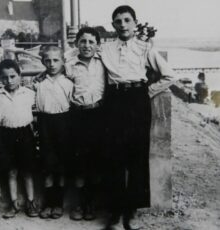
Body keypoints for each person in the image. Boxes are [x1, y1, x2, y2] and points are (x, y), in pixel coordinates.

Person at [100, 5, 176, 230]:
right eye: (118, 21)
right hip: (113, 100)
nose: (123, 25)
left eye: (127, 20)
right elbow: (74, 55)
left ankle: (131, 211)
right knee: (113, 155)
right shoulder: (105, 48)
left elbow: (169, 75)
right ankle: (114, 212)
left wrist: (148, 92)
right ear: (113, 25)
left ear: (134, 23)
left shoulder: (145, 48)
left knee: (136, 155)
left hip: (137, 100)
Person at [66, 27, 106, 221]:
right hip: (78, 116)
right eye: (83, 41)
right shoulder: (70, 65)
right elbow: (55, 74)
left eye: (91, 42)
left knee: (96, 162)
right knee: (79, 163)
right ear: (76, 44)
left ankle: (91, 204)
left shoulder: (103, 63)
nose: (87, 45)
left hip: (99, 115)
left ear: (97, 45)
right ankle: (79, 204)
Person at [0, 59, 38, 218]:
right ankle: (13, 204)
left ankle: (31, 203)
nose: (9, 80)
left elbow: (36, 113)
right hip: (6, 135)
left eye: (13, 76)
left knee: (27, 171)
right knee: (11, 172)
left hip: (25, 134)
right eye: (4, 77)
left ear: (20, 76)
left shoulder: (30, 93)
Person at [33, 46, 73, 219]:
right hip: (44, 123)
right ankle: (49, 203)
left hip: (64, 123)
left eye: (56, 60)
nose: (51, 64)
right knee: (48, 165)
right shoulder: (38, 82)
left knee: (62, 166)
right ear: (43, 62)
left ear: (63, 62)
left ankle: (58, 204)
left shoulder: (69, 82)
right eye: (47, 60)